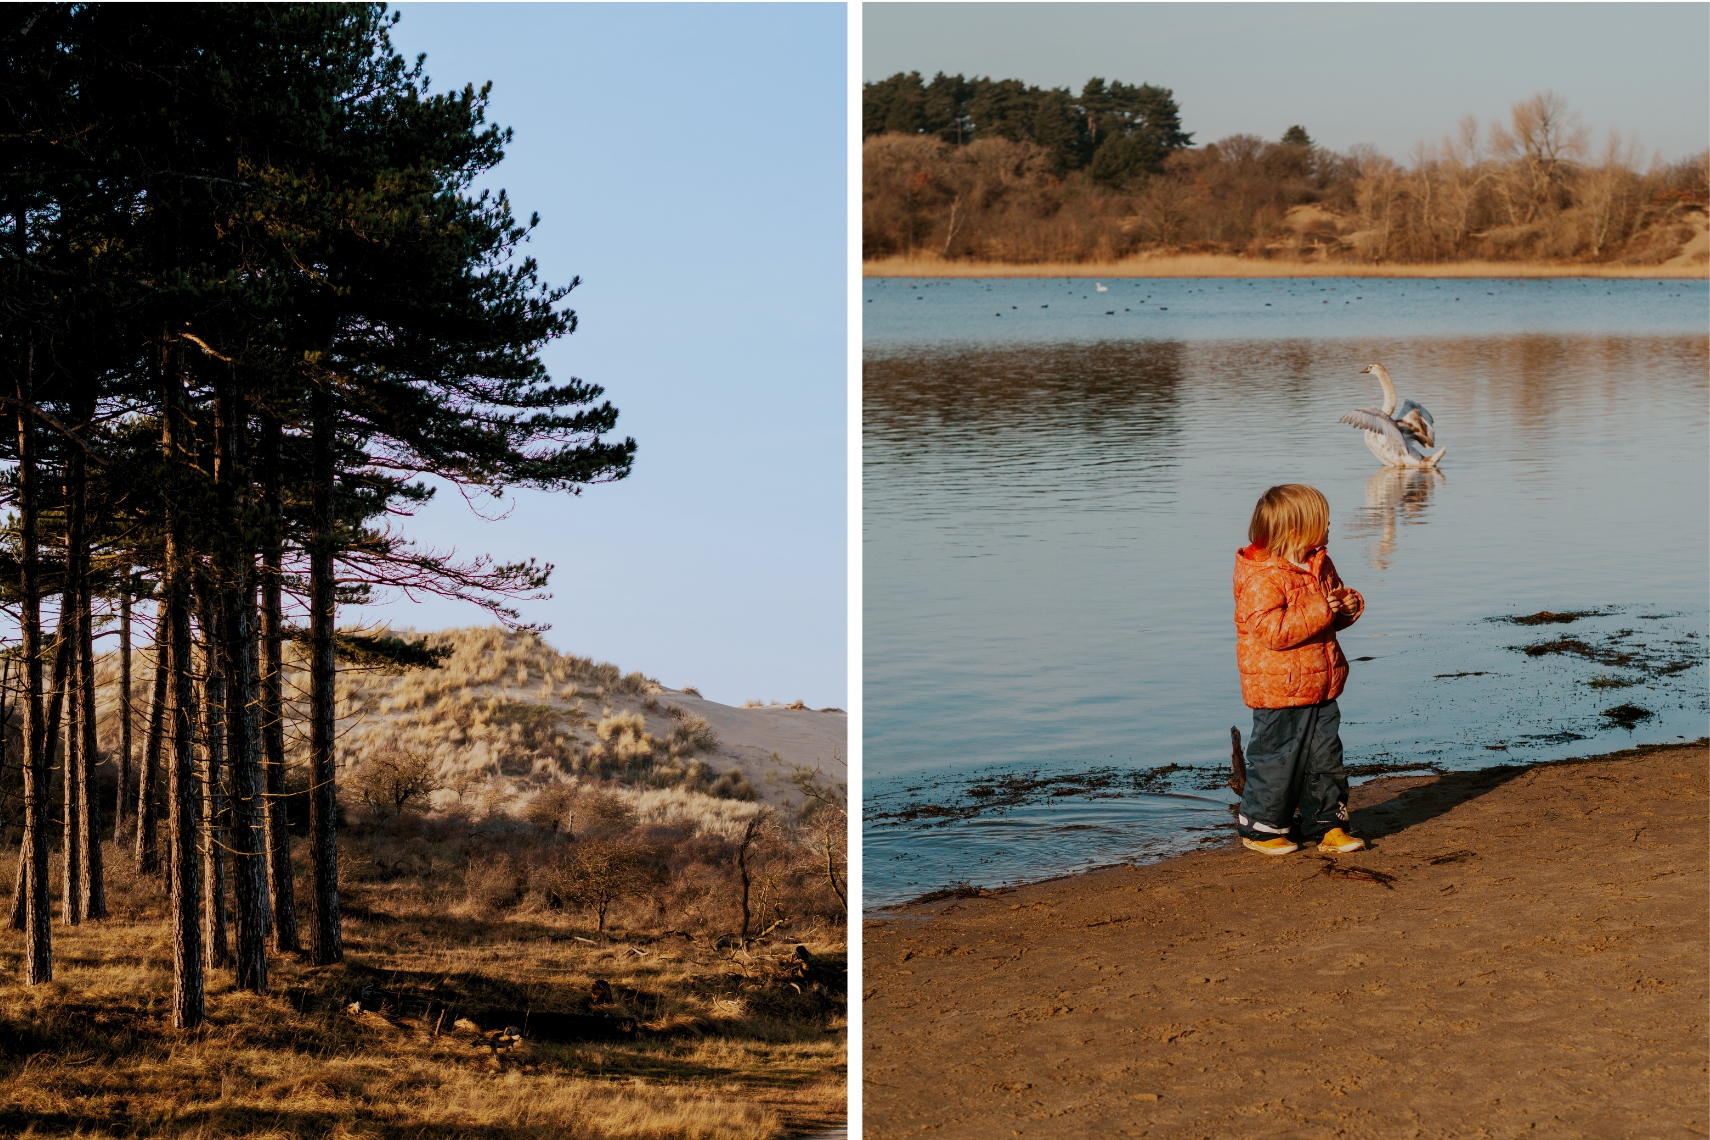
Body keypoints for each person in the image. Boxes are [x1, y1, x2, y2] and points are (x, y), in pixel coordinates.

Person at [1232, 484, 1367, 856]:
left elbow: (1327, 619)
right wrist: (1323, 609)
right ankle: (1261, 828)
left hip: (1322, 684)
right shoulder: (1262, 577)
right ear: (1295, 530)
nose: (1329, 526)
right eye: (1323, 521)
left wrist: (1346, 606)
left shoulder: (1319, 563)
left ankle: (1329, 826)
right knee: (1277, 760)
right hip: (1279, 689)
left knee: (1326, 759)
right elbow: (1272, 632)